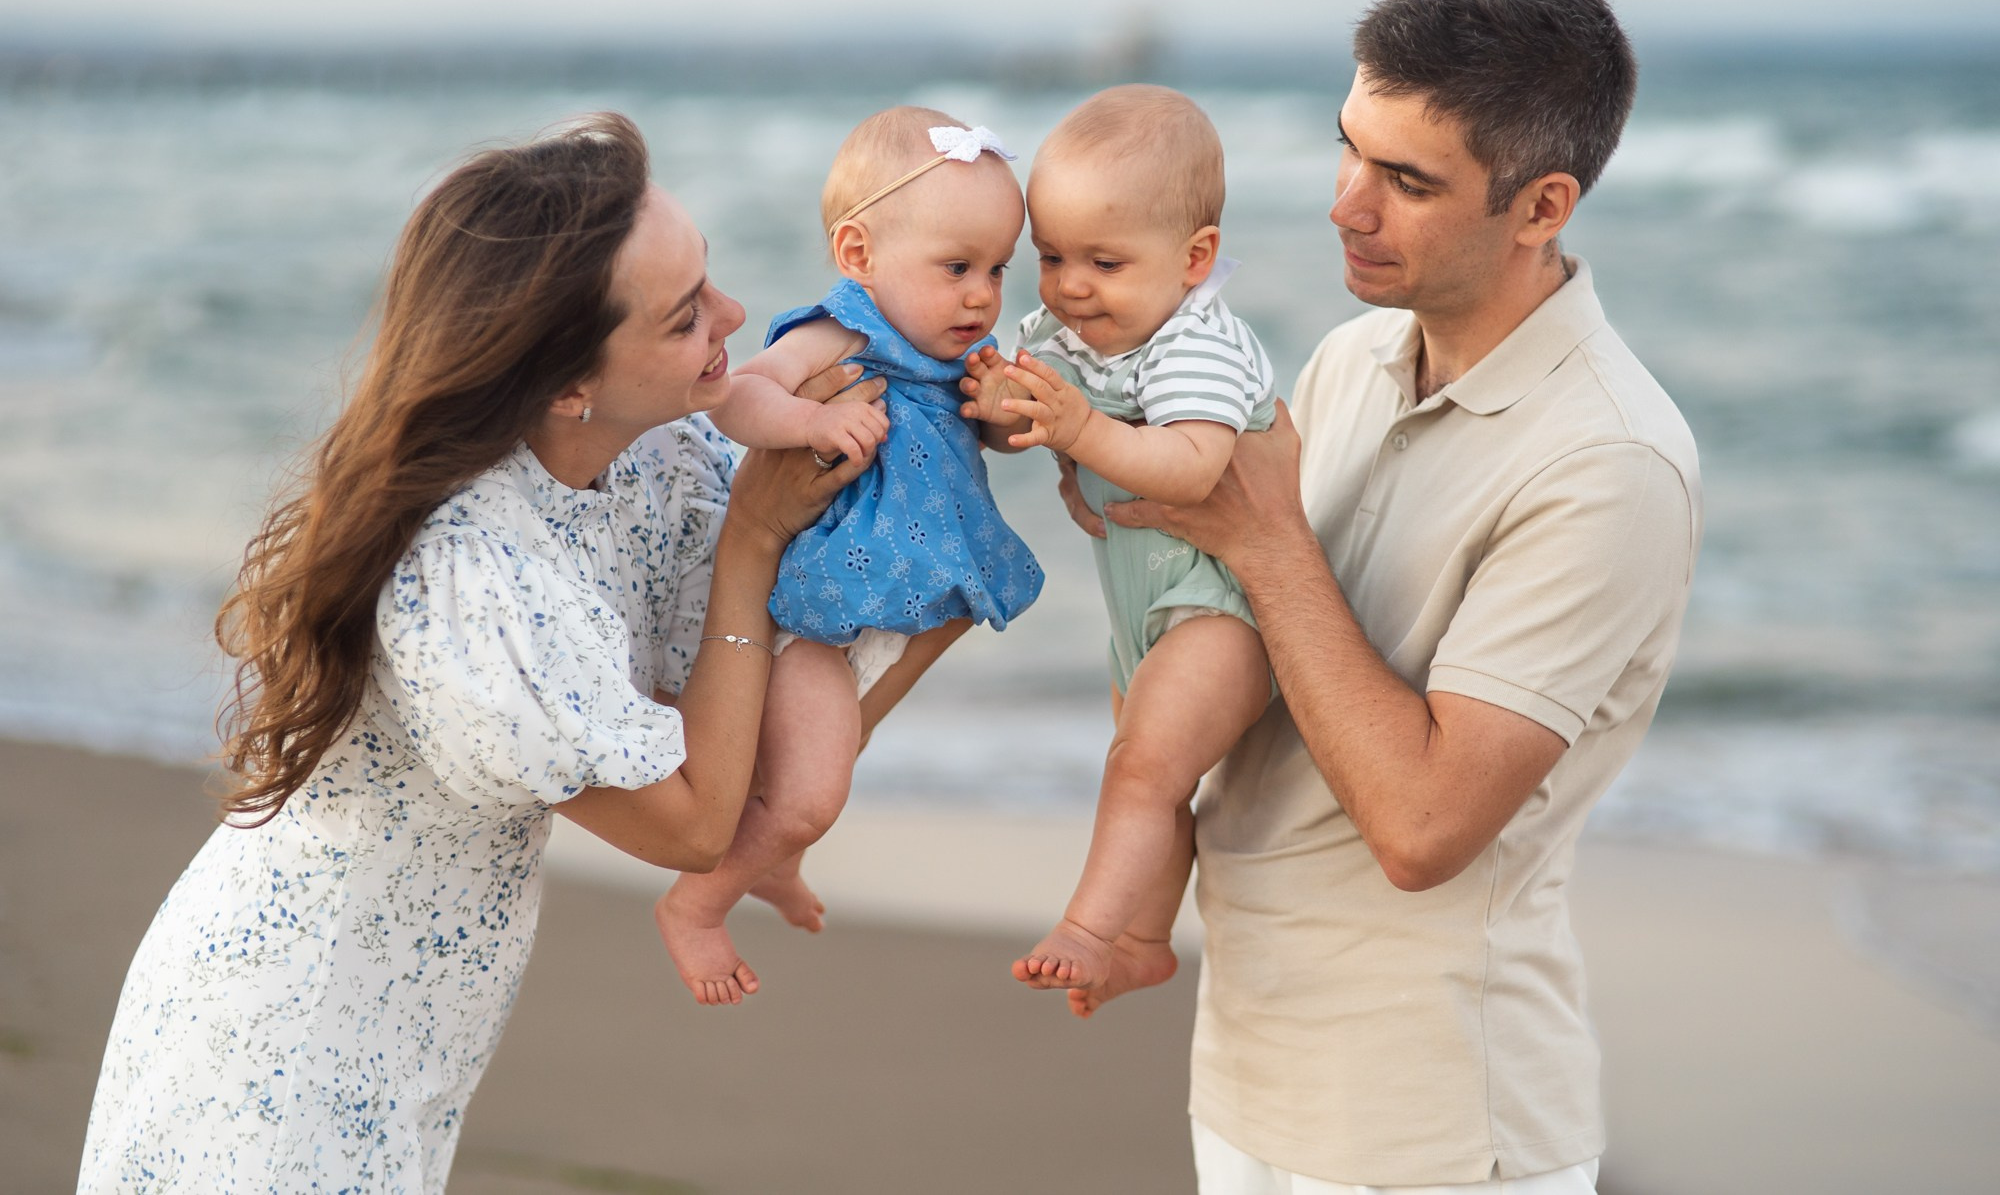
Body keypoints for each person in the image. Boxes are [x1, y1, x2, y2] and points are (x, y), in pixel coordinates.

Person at [77, 114, 879, 1193]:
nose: (735, 319)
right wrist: (748, 542)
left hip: (403, 1046)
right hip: (278, 1059)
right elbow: (693, 820)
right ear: (564, 386)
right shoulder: (466, 573)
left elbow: (803, 617)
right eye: (688, 316)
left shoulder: (648, 458)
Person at [1078, 0, 1702, 1191]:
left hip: (1431, 1124)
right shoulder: (1350, 361)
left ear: (1541, 206)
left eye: (1405, 180)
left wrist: (1260, 537)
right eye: (1348, 148)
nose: (1343, 204)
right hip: (1248, 1066)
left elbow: (1423, 829)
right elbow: (1245, 671)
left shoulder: (1611, 462)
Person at [656, 105, 1042, 1005]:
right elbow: (737, 395)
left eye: (996, 269)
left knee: (825, 762)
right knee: (810, 791)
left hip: (880, 603)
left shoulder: (959, 349)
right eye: (957, 267)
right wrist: (814, 419)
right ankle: (697, 904)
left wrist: (1011, 421)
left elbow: (980, 441)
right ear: (861, 253)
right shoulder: (848, 328)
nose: (983, 295)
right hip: (808, 608)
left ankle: (772, 861)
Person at [958, 85, 1276, 993]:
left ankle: (1088, 928)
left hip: (1225, 611)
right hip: (1142, 614)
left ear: (1194, 258)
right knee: (1149, 772)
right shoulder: (1069, 333)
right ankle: (1142, 939)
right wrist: (994, 412)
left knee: (1141, 767)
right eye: (1051, 256)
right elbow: (1023, 422)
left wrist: (1080, 434)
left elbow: (1195, 468)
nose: (1071, 285)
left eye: (1104, 259)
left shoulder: (1198, 341)